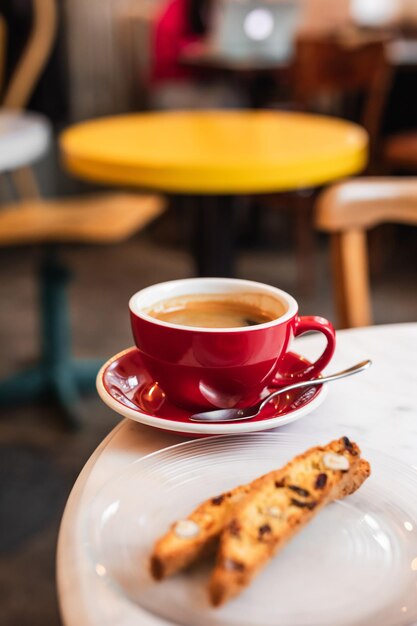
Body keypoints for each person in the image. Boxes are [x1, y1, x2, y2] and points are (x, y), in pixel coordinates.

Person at [150, 0, 240, 109]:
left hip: (195, 81)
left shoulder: (205, 7)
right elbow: (171, 48)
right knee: (229, 98)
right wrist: (200, 46)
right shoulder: (178, 7)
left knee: (232, 93)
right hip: (174, 84)